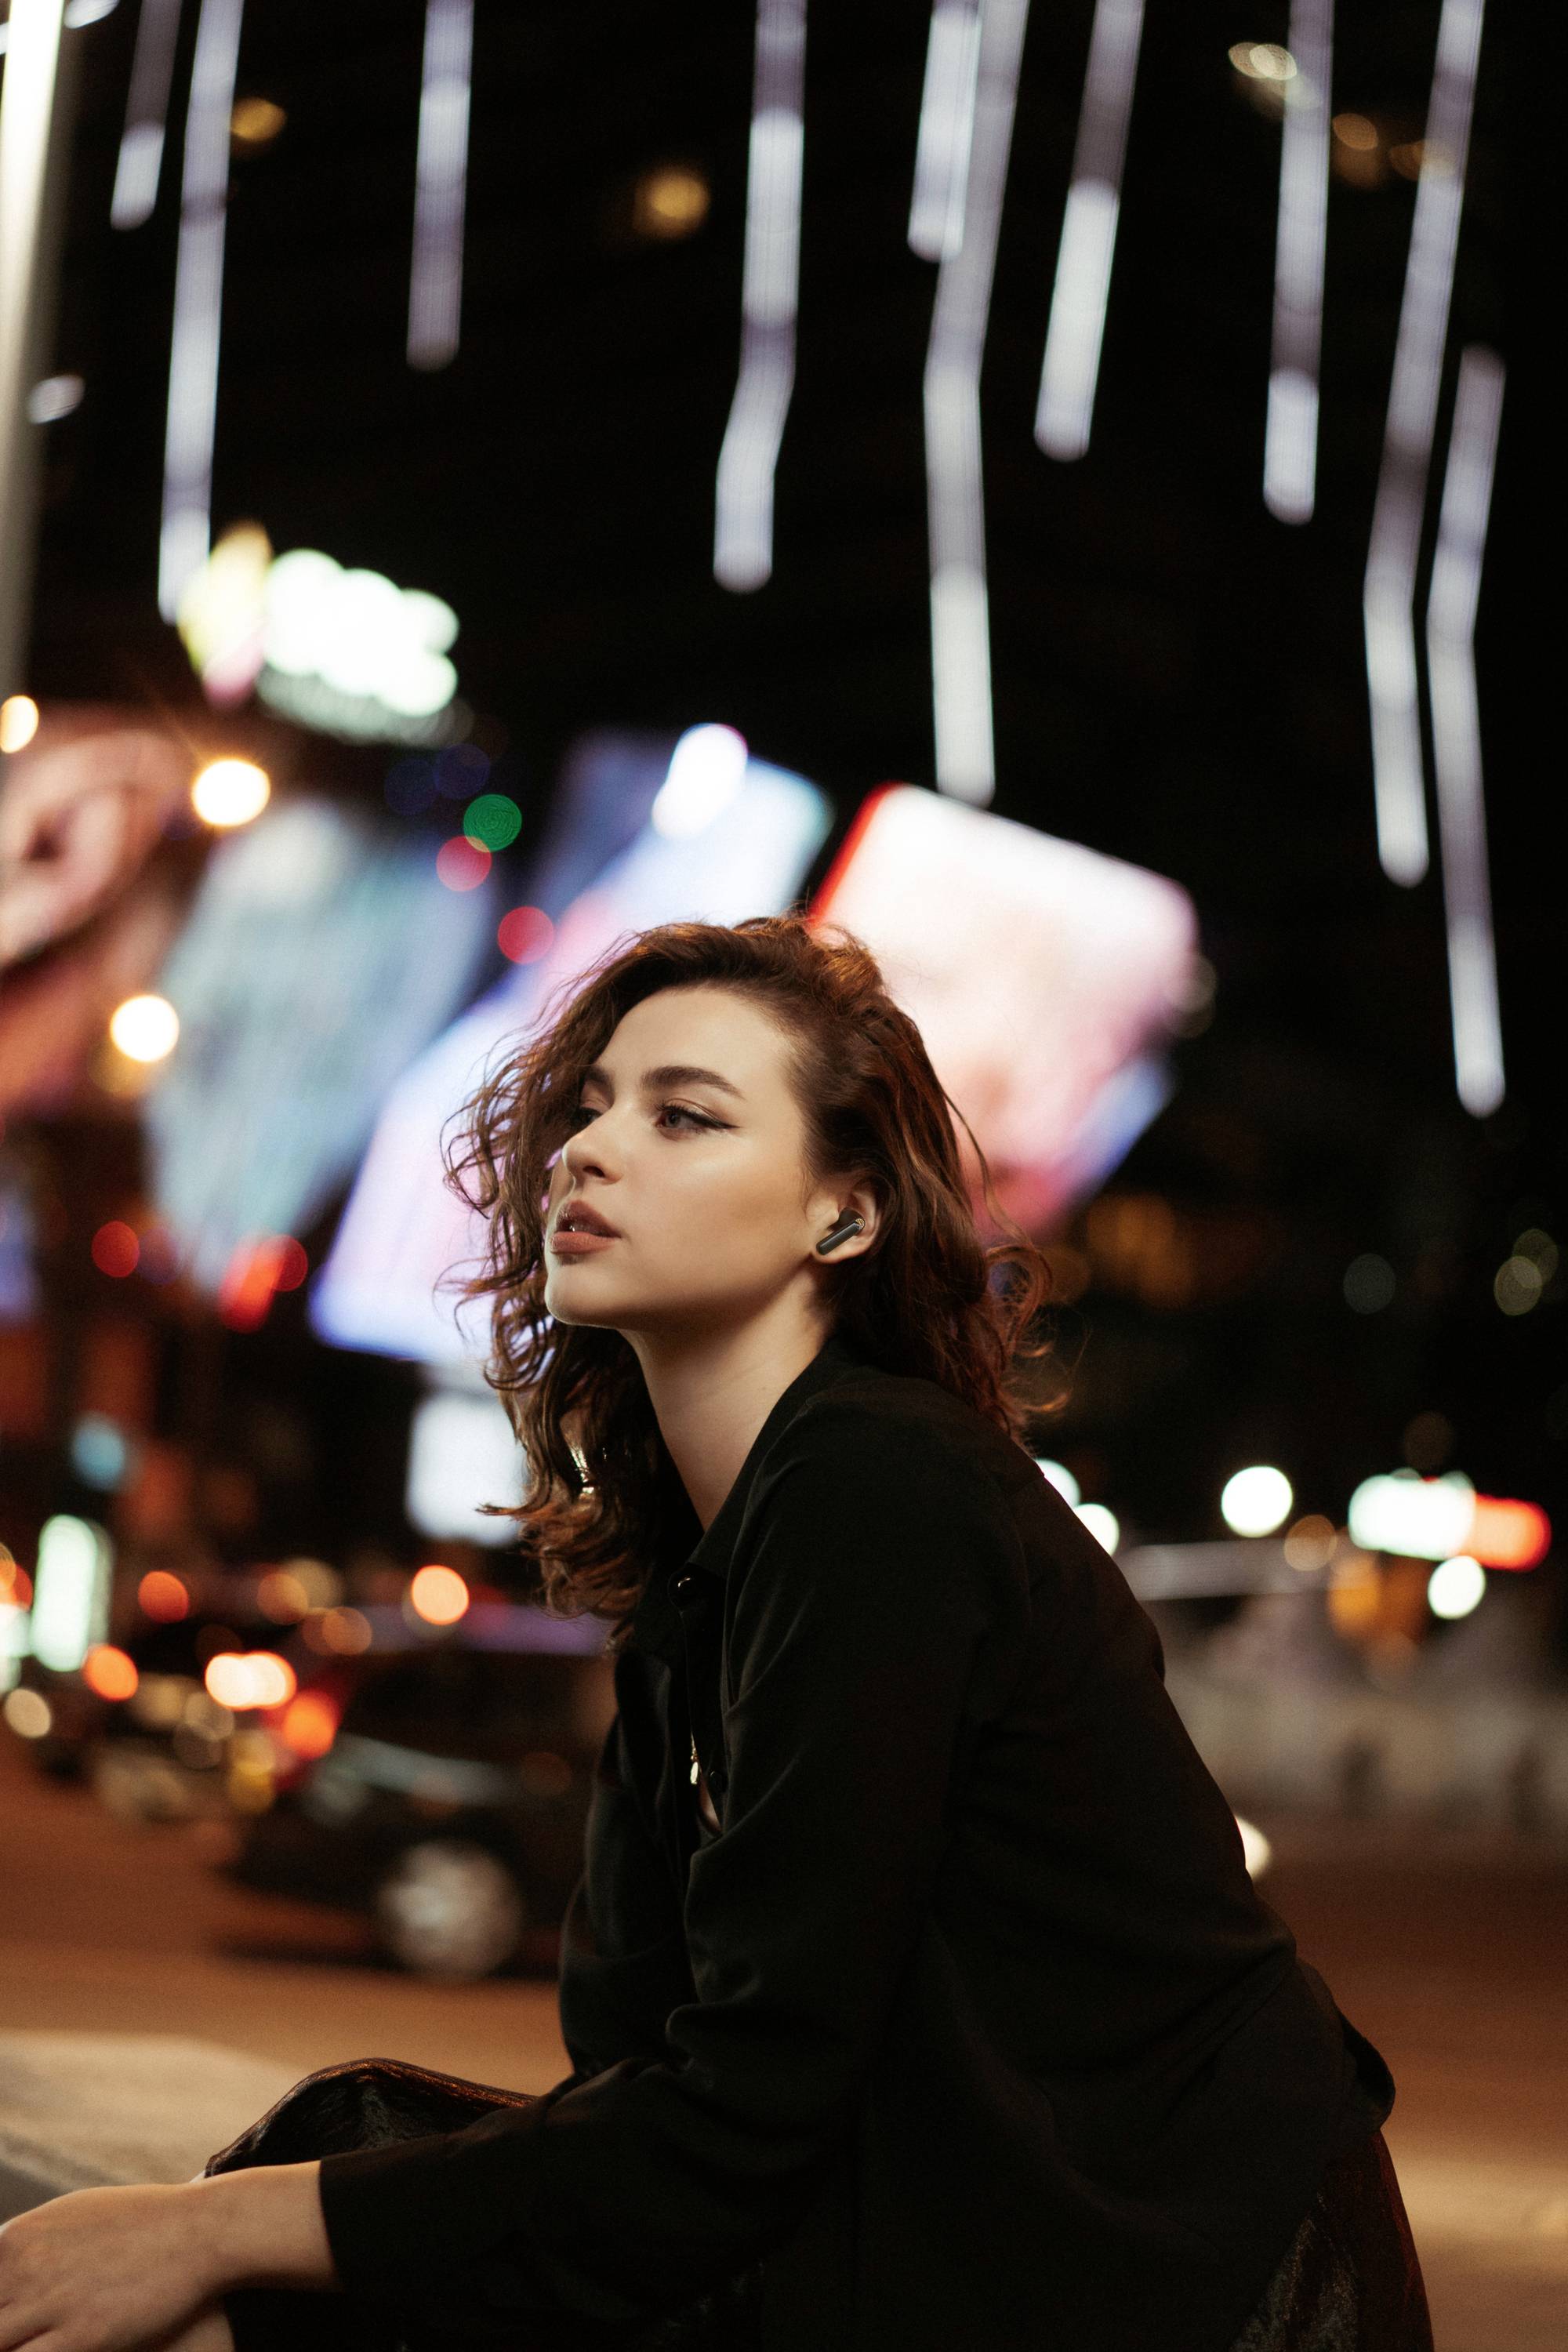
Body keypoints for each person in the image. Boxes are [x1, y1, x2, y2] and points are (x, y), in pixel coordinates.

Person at [0, 915, 1432, 2352]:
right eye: (590, 1105)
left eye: (685, 1115)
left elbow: (732, 2125)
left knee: (279, 2231)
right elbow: (634, 2077)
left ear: (845, 1215)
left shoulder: (878, 1485)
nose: (589, 1148)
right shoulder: (708, 1557)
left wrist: (204, 2226)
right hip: (952, 2244)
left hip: (1204, 2288)